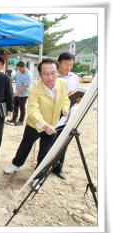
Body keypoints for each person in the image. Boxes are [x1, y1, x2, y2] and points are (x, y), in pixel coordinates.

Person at [4, 59, 70, 180]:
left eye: (53, 73)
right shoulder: (34, 88)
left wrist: (65, 108)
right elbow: (33, 109)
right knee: (25, 145)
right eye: (45, 73)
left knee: (45, 151)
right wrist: (44, 125)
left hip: (53, 124)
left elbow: (65, 99)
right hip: (35, 124)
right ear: (40, 74)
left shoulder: (62, 84)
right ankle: (16, 164)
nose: (50, 77)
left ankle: (38, 176)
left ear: (57, 72)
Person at [51, 52, 81, 180]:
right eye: (66, 64)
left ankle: (58, 168)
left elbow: (78, 91)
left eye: (71, 65)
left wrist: (76, 96)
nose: (69, 67)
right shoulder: (52, 76)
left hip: (70, 113)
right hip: (54, 113)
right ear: (59, 63)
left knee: (64, 141)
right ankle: (45, 165)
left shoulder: (74, 77)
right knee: (50, 140)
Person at [7, 61, 32, 126]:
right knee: (15, 106)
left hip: (24, 95)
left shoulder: (28, 75)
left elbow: (25, 86)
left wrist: (18, 93)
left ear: (24, 67)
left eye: (20, 69)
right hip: (17, 93)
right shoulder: (18, 72)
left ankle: (21, 121)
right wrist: (8, 78)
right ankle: (14, 119)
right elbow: (13, 79)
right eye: (18, 69)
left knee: (22, 108)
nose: (19, 70)